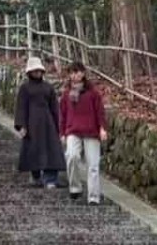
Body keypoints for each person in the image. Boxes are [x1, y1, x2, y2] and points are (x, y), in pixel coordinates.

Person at [59, 61, 108, 204]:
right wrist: (61, 133)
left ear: (83, 73)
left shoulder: (93, 93)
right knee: (71, 156)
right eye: (72, 72)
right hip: (72, 130)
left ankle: (94, 196)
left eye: (78, 72)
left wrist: (102, 128)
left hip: (91, 131)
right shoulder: (67, 93)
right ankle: (75, 187)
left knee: (93, 164)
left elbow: (100, 112)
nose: (75, 75)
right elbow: (62, 114)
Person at [15, 56, 67, 188]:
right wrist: (21, 125)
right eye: (34, 70)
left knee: (51, 149)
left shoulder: (48, 87)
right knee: (33, 150)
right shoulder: (25, 88)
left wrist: (59, 125)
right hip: (32, 123)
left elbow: (54, 107)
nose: (37, 73)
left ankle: (51, 178)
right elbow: (21, 107)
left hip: (47, 122)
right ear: (29, 72)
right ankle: (36, 176)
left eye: (39, 70)